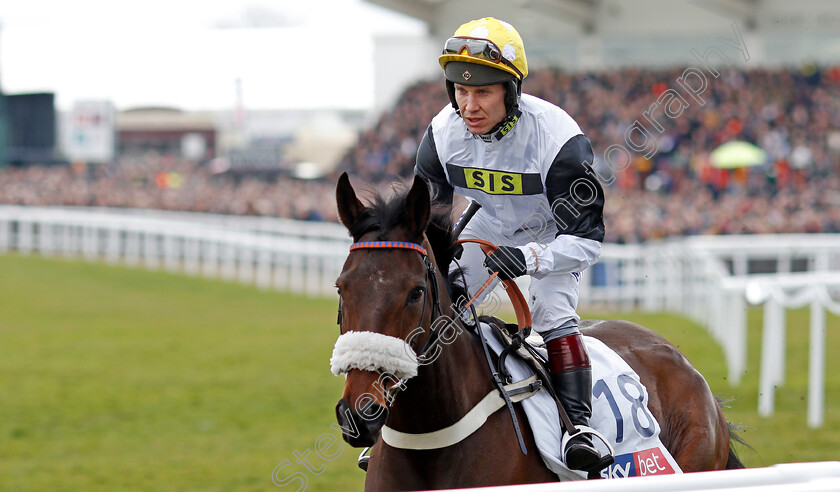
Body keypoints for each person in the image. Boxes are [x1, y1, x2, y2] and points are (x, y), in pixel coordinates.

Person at [414, 17, 609, 473]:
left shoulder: (558, 137)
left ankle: (580, 427)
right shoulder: (441, 133)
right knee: (441, 294)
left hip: (555, 233)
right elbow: (429, 224)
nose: (469, 105)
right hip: (493, 226)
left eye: (483, 92)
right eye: (460, 91)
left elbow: (587, 241)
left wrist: (530, 258)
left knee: (552, 312)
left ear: (511, 90)